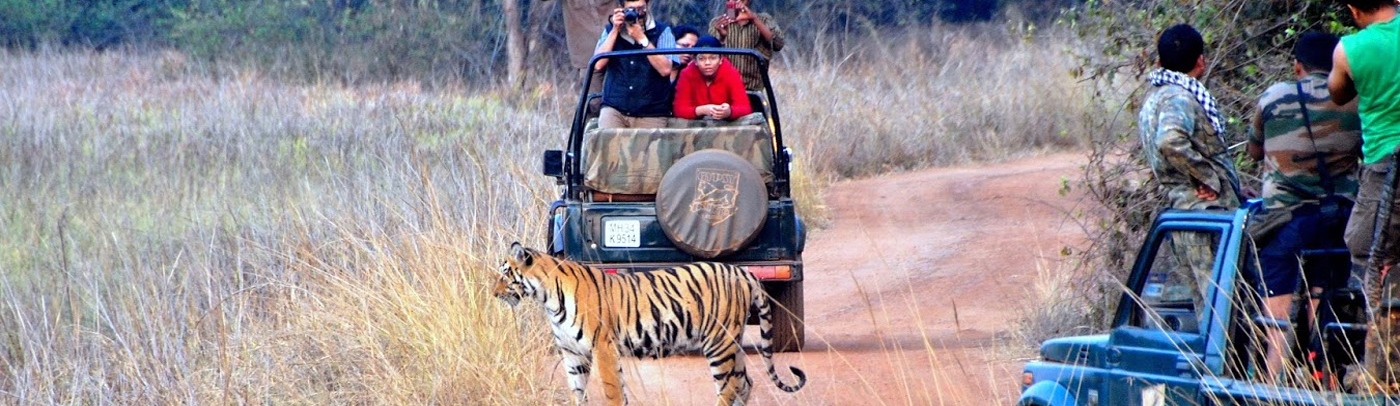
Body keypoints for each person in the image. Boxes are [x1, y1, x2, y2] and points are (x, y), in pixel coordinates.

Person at [1246, 32, 1361, 384]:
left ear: (1297, 66)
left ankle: (1271, 383)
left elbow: (1254, 151)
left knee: (1276, 314)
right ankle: (1322, 377)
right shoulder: (1355, 100)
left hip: (1286, 219)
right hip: (1340, 218)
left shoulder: (1274, 96)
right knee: (1322, 299)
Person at [1138, 24, 1243, 312]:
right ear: (1200, 61)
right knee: (1222, 304)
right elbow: (1170, 140)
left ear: (1159, 61)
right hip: (1204, 215)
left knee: (1206, 305)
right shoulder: (1179, 96)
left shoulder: (1154, 97)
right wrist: (1211, 180)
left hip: (1183, 213)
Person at [1327, 0, 1400, 390]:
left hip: (1385, 164)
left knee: (1364, 245)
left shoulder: (1350, 49)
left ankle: (1383, 367)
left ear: (1354, 9)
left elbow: (1337, 94)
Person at [593, 0, 678, 129]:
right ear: (621, 8)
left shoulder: (662, 31)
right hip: (615, 109)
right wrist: (615, 29)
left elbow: (665, 69)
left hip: (652, 112)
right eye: (631, 9)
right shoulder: (610, 30)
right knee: (606, 145)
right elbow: (598, 64)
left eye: (641, 8)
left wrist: (642, 39)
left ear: (648, 6)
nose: (637, 13)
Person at [709, 0, 784, 92]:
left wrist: (754, 19)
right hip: (724, 88)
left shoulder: (764, 19)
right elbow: (710, 53)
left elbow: (778, 44)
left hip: (753, 88)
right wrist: (722, 36)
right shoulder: (718, 22)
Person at [673, 36, 753, 121]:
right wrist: (701, 110)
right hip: (695, 125)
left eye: (713, 58)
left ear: (721, 59)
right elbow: (679, 110)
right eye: (701, 58)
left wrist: (729, 111)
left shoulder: (731, 73)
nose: (707, 63)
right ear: (695, 61)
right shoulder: (686, 74)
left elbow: (745, 108)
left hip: (726, 125)